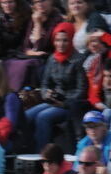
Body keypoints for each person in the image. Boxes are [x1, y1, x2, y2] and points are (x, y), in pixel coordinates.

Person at [25, 22, 87, 152]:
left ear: (71, 40)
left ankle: (42, 156)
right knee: (26, 115)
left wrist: (64, 101)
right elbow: (45, 84)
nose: (61, 44)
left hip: (68, 105)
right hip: (52, 101)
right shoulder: (52, 59)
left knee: (43, 117)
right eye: (58, 40)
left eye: (65, 40)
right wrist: (46, 94)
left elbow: (81, 90)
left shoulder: (79, 60)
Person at [2, 0, 62, 91]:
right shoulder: (33, 18)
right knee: (6, 62)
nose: (39, 4)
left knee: (25, 66)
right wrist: (30, 52)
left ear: (51, 1)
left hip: (45, 58)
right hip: (30, 55)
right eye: (36, 2)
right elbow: (26, 44)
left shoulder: (56, 19)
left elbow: (42, 46)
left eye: (43, 0)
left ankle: (18, 94)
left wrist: (38, 24)